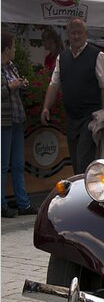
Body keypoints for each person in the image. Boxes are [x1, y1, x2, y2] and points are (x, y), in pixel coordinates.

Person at [41, 17, 104, 175]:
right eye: (73, 33)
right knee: (75, 160)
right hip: (71, 117)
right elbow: (54, 84)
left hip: (90, 117)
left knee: (83, 159)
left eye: (80, 32)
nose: (76, 36)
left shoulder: (97, 55)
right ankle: (84, 194)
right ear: (68, 35)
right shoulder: (62, 57)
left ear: (86, 34)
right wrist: (46, 107)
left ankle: (85, 197)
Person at [1, 32, 38, 218]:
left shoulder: (11, 67)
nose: (15, 50)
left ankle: (23, 203)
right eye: (13, 47)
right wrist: (10, 87)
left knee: (17, 164)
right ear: (6, 49)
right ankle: (1, 205)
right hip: (4, 122)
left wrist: (21, 83)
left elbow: (14, 87)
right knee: (2, 165)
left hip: (16, 120)